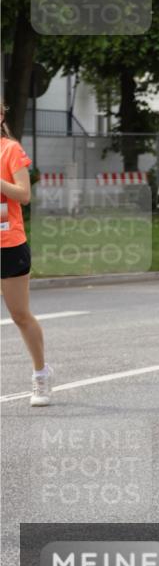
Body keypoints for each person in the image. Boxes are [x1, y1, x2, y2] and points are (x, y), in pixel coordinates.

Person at [1, 104, 53, 406]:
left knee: (19, 315)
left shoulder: (11, 150)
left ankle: (41, 374)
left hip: (8, 242)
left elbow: (24, 194)